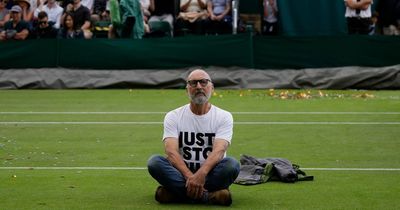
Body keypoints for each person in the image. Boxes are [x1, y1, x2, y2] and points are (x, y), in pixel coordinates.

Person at [147, 69, 240, 206]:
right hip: (181, 173)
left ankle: (176, 194)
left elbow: (219, 151)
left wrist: (201, 175)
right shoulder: (173, 116)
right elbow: (171, 152)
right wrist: (191, 178)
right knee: (154, 162)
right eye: (193, 83)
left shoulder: (224, 116)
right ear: (187, 89)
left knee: (232, 165)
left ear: (212, 88)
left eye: (203, 82)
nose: (198, 87)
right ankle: (209, 196)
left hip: (210, 174)